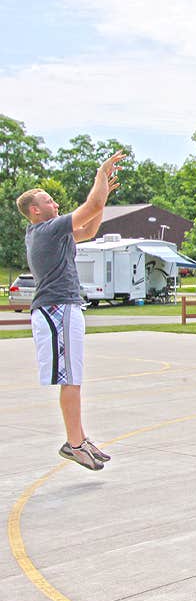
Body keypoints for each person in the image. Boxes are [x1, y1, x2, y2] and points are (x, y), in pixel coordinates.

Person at [16, 150, 125, 470]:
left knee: (74, 377)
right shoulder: (46, 230)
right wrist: (101, 176)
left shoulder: (53, 233)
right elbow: (90, 206)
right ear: (35, 211)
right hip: (56, 309)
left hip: (65, 308)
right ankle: (74, 444)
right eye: (49, 201)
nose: (56, 204)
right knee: (71, 378)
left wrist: (102, 204)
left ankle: (79, 438)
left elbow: (89, 229)